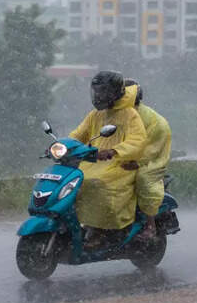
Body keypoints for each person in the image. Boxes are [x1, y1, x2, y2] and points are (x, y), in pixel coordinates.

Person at [69, 71, 146, 247]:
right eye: (96, 91)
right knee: (75, 180)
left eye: (103, 91)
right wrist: (64, 146)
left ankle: (100, 230)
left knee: (97, 183)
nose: (98, 96)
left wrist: (114, 151)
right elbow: (78, 135)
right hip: (95, 163)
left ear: (114, 93)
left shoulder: (129, 114)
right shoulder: (95, 116)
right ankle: (80, 223)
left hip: (119, 165)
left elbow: (137, 140)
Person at [122, 79, 172, 239]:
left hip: (152, 160)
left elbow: (152, 148)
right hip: (126, 159)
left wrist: (136, 163)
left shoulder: (151, 120)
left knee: (143, 178)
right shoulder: (117, 115)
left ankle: (150, 226)